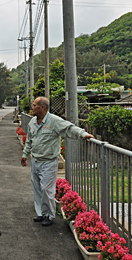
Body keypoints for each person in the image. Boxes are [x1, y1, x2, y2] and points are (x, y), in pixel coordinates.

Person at [20, 97, 93, 226]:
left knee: (46, 189)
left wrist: (83, 134)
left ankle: (49, 214)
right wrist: (25, 155)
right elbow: (29, 140)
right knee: (37, 188)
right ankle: (41, 213)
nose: (32, 107)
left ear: (42, 107)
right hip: (35, 160)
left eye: (34, 105)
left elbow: (69, 128)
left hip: (49, 162)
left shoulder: (54, 121)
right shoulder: (32, 122)